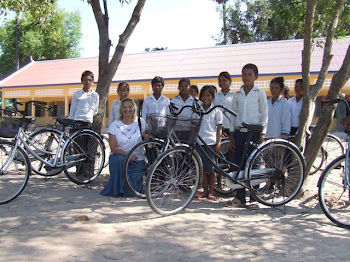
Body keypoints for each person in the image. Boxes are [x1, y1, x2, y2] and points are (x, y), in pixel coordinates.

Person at [228, 63, 268, 209]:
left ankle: (254, 197)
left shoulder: (260, 93)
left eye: (249, 74)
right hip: (239, 133)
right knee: (238, 164)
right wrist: (232, 133)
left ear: (256, 76)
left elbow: (264, 114)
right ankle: (239, 197)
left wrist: (262, 132)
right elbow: (233, 115)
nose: (246, 77)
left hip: (254, 133)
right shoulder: (237, 94)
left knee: (254, 164)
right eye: (244, 74)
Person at [101, 98, 148, 197]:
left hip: (137, 160)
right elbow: (113, 148)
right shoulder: (115, 125)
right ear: (121, 110)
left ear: (134, 109)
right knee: (119, 159)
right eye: (124, 107)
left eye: (130, 107)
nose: (127, 109)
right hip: (121, 157)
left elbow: (146, 138)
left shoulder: (141, 122)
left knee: (132, 192)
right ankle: (117, 189)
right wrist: (128, 155)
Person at [68, 70, 99, 179]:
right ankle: (79, 173)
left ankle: (88, 172)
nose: (87, 82)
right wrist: (71, 125)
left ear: (93, 82)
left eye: (90, 80)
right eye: (85, 80)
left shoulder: (95, 95)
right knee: (78, 149)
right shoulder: (77, 94)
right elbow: (72, 110)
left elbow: (95, 111)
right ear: (82, 81)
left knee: (88, 150)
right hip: (77, 123)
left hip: (89, 124)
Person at [194, 85, 223, 200]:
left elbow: (219, 128)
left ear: (212, 97)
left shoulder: (216, 111)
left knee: (211, 169)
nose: (205, 98)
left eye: (208, 95)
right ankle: (204, 191)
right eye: (203, 96)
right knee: (202, 169)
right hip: (199, 142)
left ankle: (212, 191)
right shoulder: (198, 109)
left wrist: (218, 143)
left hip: (211, 143)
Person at [214, 71, 234, 137]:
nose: (222, 83)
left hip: (231, 129)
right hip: (217, 128)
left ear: (230, 81)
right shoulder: (215, 96)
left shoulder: (234, 96)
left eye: (224, 80)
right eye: (220, 81)